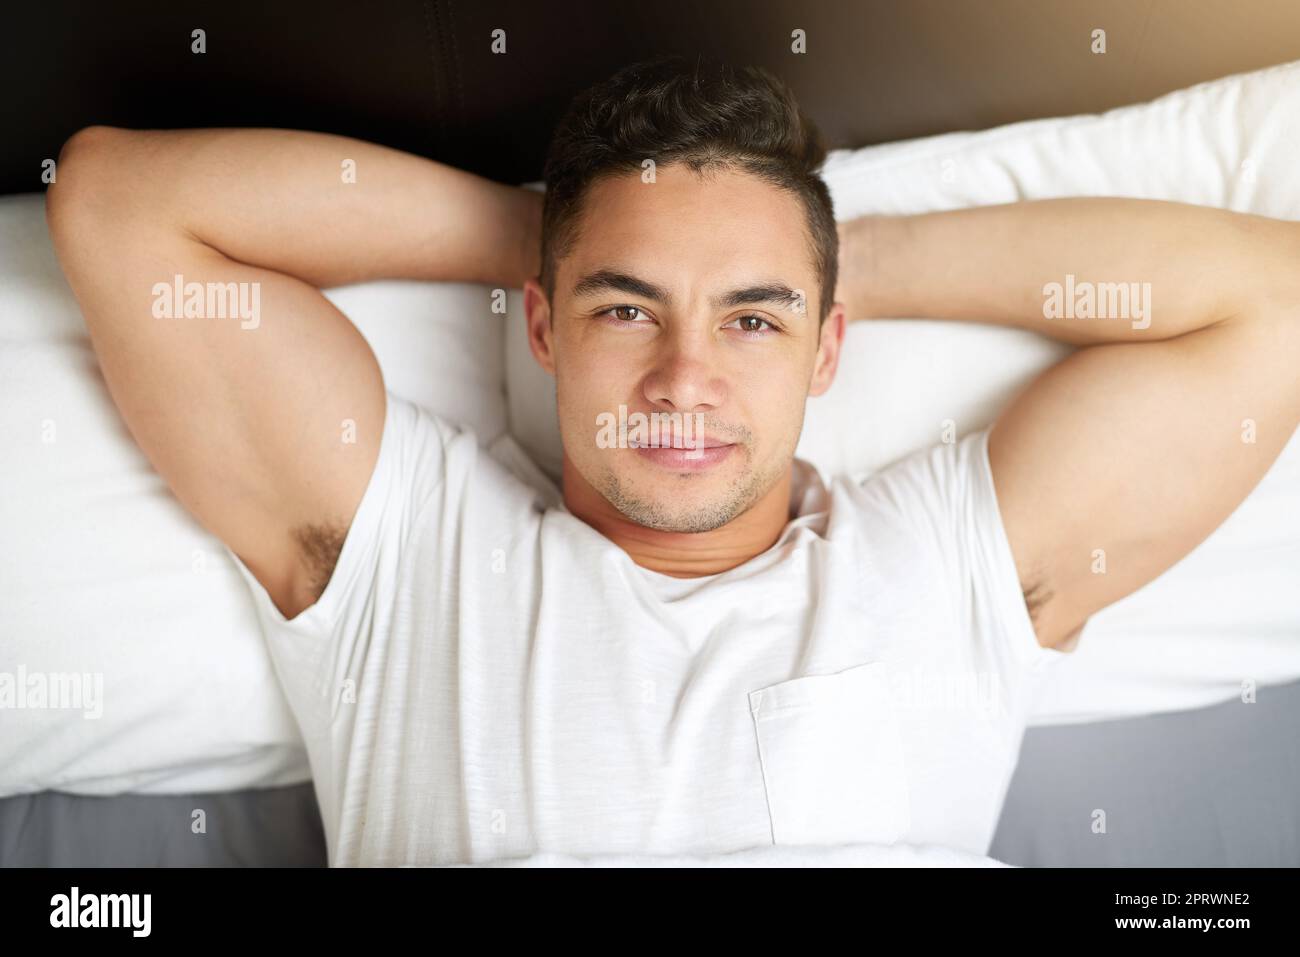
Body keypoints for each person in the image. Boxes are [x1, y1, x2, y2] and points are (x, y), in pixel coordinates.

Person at [45, 56, 1300, 866]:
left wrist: (836, 262)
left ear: (826, 351)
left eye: (752, 320)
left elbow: (1274, 303)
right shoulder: (404, 553)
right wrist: (546, 236)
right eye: (623, 310)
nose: (684, 378)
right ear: (538, 325)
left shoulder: (952, 563)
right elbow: (115, 202)